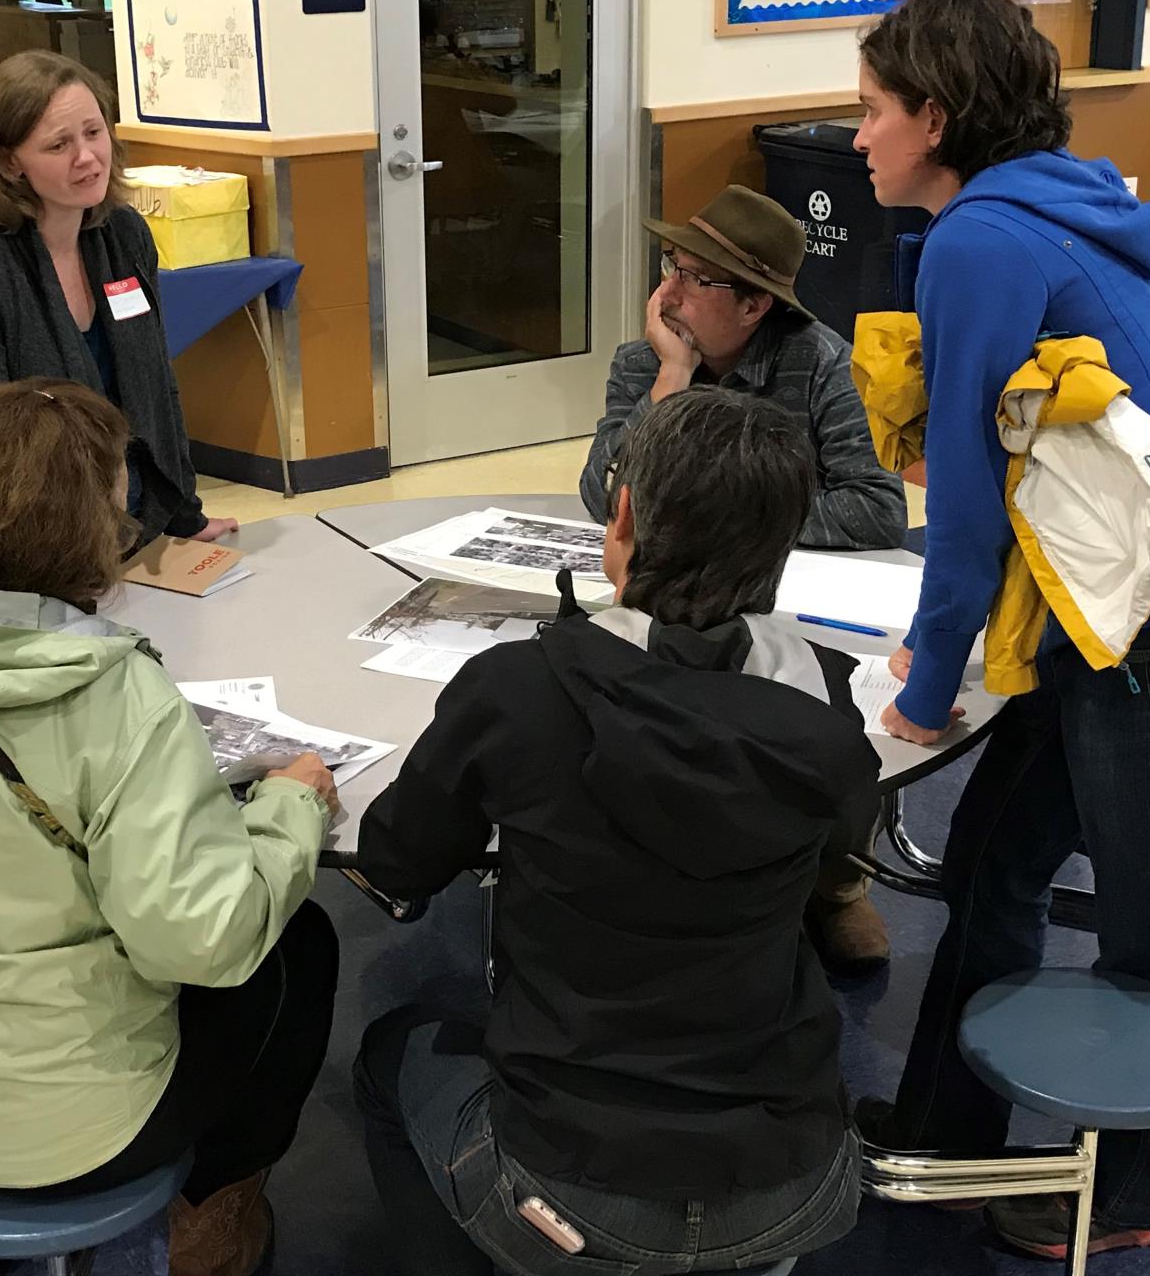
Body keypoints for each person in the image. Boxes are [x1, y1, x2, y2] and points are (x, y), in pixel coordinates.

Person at [850, 0, 1150, 1261]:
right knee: (992, 862)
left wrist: (932, 687)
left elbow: (975, 508)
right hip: (1109, 621)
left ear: (934, 117)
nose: (859, 134)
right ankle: (946, 1135)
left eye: (873, 111)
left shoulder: (985, 242)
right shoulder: (1043, 207)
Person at [0, 378, 336, 1276]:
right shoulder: (115, 694)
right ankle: (217, 1216)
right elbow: (202, 941)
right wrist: (291, 805)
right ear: (88, 531)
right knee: (294, 947)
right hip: (78, 1128)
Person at [354, 387, 878, 1276]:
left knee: (388, 1053)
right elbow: (839, 851)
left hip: (569, 1191)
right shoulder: (827, 706)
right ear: (783, 544)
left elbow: (395, 858)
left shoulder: (517, 691)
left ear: (623, 514)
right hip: (792, 1182)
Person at [578, 183, 907, 970]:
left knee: (826, 709)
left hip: (773, 594)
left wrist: (737, 524)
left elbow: (876, 508)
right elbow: (602, 495)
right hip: (665, 598)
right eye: (672, 266)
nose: (669, 293)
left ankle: (837, 884)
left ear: (756, 304)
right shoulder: (644, 364)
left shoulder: (818, 363)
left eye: (697, 278)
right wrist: (671, 383)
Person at [0, 49, 236, 547]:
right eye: (58, 145)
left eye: (94, 133)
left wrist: (185, 516)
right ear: (9, 163)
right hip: (41, 537)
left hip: (140, 520)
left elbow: (158, 386)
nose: (87, 158)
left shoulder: (124, 234)